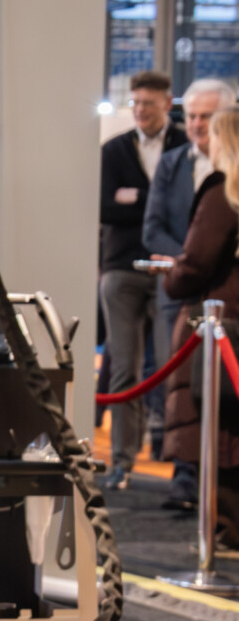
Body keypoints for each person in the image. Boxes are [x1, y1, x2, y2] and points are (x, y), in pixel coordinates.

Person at [144, 77, 236, 508]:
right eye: (192, 116)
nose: (198, 127)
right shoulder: (175, 164)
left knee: (210, 410)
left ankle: (217, 520)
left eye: (208, 120)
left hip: (211, 309)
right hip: (198, 302)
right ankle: (188, 483)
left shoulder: (221, 189)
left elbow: (198, 260)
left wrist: (179, 268)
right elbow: (153, 226)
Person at [100, 70, 187, 490]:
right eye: (135, 103)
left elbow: (187, 209)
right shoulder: (114, 149)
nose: (140, 111)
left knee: (172, 367)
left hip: (172, 269)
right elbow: (104, 207)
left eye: (148, 104)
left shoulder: (185, 146)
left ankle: (177, 462)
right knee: (124, 372)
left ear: (167, 104)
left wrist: (134, 197)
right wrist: (155, 201)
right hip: (121, 269)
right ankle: (122, 461)